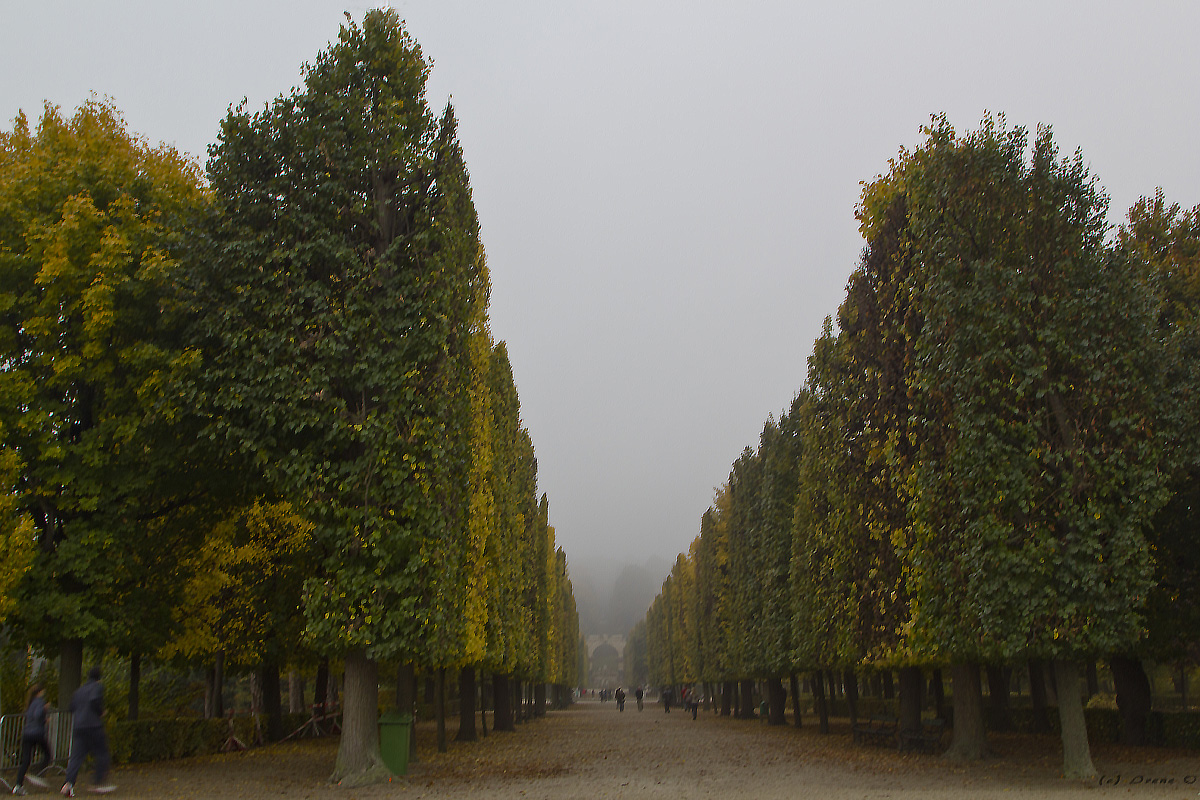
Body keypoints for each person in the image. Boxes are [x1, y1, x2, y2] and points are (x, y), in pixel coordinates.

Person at [62, 666, 116, 797]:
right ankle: (98, 782)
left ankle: (68, 784)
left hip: (79, 727)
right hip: (93, 726)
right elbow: (94, 700)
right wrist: (100, 711)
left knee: (76, 757)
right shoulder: (97, 687)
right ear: (98, 678)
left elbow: (71, 707)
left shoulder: (79, 691)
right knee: (102, 753)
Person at [12, 683, 52, 795]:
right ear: (40, 692)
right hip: (37, 733)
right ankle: (36, 772)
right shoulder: (40, 702)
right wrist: (45, 717)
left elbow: (30, 716)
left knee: (26, 760)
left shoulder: (30, 703)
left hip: (27, 733)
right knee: (48, 754)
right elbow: (38, 715)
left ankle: (18, 785)